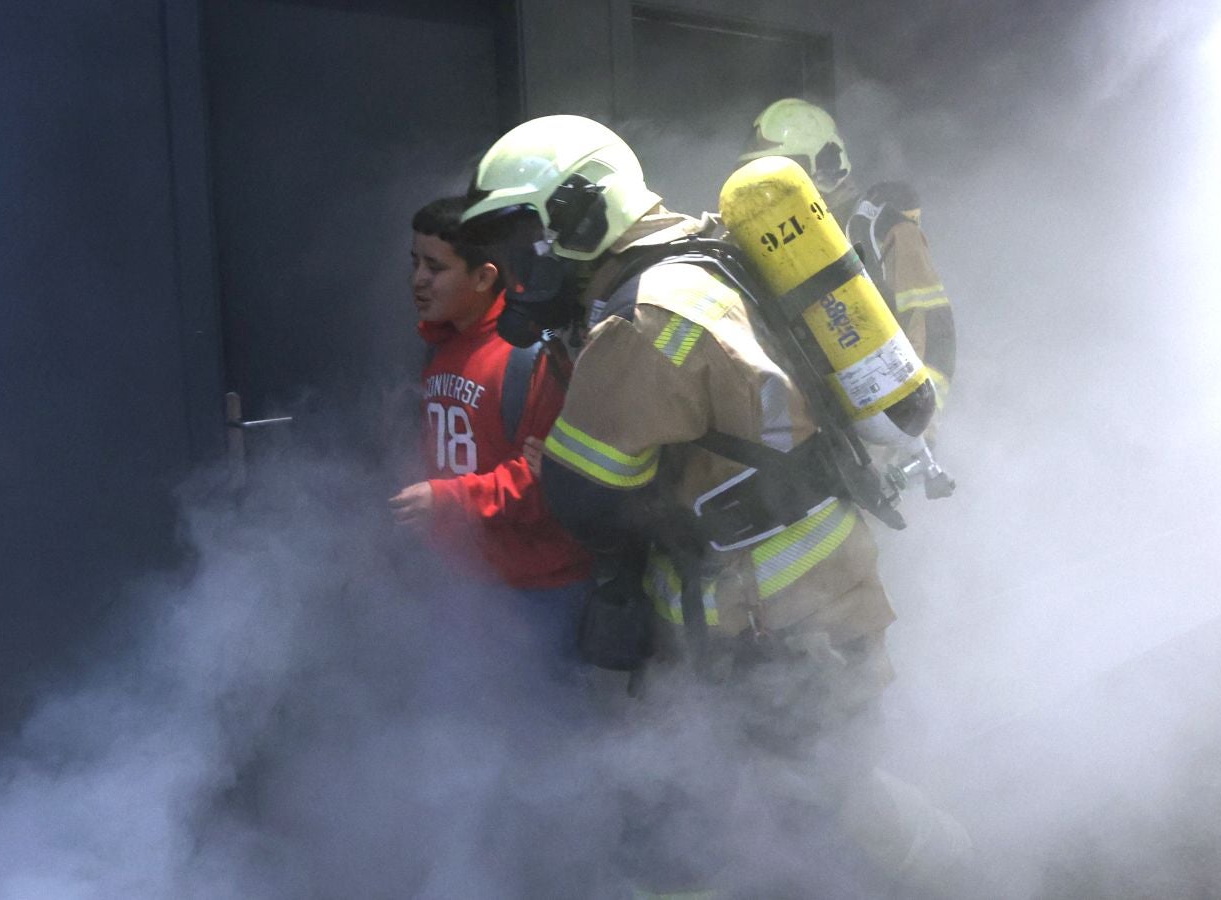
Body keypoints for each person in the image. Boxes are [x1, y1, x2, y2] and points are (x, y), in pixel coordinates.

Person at [459, 116, 971, 897]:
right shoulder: (703, 259)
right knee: (815, 796)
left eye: (521, 236)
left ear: (580, 215)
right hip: (816, 597)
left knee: (789, 813)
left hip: (768, 620)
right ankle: (949, 861)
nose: (511, 265)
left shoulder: (640, 322)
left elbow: (585, 497)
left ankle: (950, 870)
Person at [388, 196, 593, 664]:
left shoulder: (529, 356)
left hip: (539, 595)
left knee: (537, 730)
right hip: (466, 586)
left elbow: (549, 482)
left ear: (484, 277)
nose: (418, 279)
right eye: (415, 262)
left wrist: (448, 500)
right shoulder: (441, 345)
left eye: (435, 267)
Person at [742, 98, 957, 430]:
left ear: (826, 164)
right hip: (837, 426)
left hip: (896, 424)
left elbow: (931, 323)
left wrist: (917, 424)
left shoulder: (879, 226)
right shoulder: (787, 244)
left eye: (784, 170)